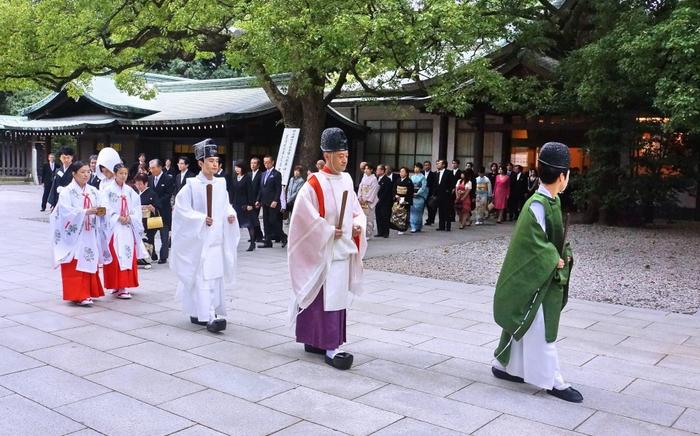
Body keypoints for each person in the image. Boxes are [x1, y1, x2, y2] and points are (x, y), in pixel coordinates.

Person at [492, 141, 581, 403]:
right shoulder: (539, 203)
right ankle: (552, 379)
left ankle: (503, 365)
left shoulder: (548, 200)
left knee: (524, 318)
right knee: (543, 327)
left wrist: (560, 253)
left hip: (541, 274)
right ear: (562, 176)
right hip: (541, 277)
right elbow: (533, 240)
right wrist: (553, 258)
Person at [288, 127, 366, 370]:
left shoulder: (347, 180)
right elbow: (303, 219)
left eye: (346, 155)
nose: (344, 159)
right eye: (340, 155)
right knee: (320, 296)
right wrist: (328, 231)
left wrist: (356, 225)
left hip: (341, 250)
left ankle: (327, 342)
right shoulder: (313, 184)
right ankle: (325, 345)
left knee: (334, 297)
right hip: (321, 251)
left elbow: (356, 210)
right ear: (327, 154)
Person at [171, 138, 239, 333]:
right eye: (210, 161)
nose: (214, 164)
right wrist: (200, 219)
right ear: (200, 163)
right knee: (203, 278)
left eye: (216, 160)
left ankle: (208, 310)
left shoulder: (221, 184)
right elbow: (181, 210)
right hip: (199, 241)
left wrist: (230, 214)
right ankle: (207, 314)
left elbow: (225, 204)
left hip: (217, 238)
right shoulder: (191, 185)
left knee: (215, 277)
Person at [50, 161, 108, 306]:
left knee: (89, 259)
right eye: (82, 172)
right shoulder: (67, 192)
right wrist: (85, 212)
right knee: (76, 262)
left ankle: (88, 292)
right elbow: (64, 212)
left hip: (90, 232)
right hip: (75, 234)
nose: (86, 175)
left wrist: (98, 211)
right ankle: (79, 294)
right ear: (74, 174)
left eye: (88, 171)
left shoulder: (94, 191)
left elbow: (103, 209)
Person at [101, 163, 147, 299]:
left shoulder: (130, 191)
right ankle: (116, 285)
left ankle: (124, 286)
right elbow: (104, 207)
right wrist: (116, 217)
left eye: (125, 173)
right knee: (115, 255)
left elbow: (136, 207)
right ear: (115, 174)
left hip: (127, 227)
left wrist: (130, 217)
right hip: (114, 228)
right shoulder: (107, 190)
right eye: (121, 173)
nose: (123, 176)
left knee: (126, 253)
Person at [256, 155, 287, 248]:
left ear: (272, 162)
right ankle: (268, 241)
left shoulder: (277, 174)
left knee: (273, 221)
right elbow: (261, 189)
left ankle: (283, 236)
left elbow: (278, 189)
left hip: (273, 202)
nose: (266, 164)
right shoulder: (263, 174)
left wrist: (275, 200)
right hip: (264, 202)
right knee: (265, 222)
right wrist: (258, 200)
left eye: (268, 162)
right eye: (264, 162)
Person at [148, 159, 175, 264]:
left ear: (159, 167)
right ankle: (152, 253)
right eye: (150, 168)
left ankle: (163, 257)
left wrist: (156, 203)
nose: (151, 170)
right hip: (152, 212)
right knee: (150, 234)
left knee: (164, 236)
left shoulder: (168, 178)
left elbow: (168, 195)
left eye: (153, 168)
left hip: (163, 211)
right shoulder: (150, 178)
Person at [230, 159, 255, 252]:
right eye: (236, 167)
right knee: (234, 223)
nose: (236, 169)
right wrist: (231, 202)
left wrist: (250, 204)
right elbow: (232, 191)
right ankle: (233, 242)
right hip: (236, 203)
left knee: (249, 223)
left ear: (243, 168)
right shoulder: (235, 177)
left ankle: (252, 242)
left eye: (238, 167)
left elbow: (250, 191)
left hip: (245, 204)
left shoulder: (247, 177)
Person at [133, 173, 157, 268]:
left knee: (148, 240)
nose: (138, 186)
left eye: (140, 184)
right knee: (139, 240)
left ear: (146, 183)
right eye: (137, 184)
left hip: (148, 220)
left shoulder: (152, 193)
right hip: (138, 220)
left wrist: (153, 208)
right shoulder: (135, 194)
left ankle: (148, 260)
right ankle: (140, 259)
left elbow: (157, 205)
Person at [357, 163, 379, 238]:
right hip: (362, 198)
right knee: (362, 216)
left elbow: (373, 190)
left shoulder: (374, 179)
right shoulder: (364, 177)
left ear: (371, 170)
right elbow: (360, 187)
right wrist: (359, 196)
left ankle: (368, 233)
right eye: (365, 169)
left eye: (367, 169)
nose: (365, 170)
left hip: (369, 200)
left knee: (369, 217)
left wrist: (366, 199)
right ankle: (363, 232)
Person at [391, 167, 413, 235]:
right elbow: (394, 189)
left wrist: (403, 198)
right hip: (397, 198)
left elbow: (410, 192)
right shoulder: (398, 180)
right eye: (400, 171)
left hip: (405, 199)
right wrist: (396, 195)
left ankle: (402, 228)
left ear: (406, 173)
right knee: (396, 213)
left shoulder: (409, 181)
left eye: (403, 171)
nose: (401, 173)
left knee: (403, 214)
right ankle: (397, 227)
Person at [435, 159, 455, 231]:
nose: (438, 164)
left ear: (443, 165)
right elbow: (436, 184)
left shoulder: (449, 173)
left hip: (446, 195)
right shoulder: (437, 173)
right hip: (439, 195)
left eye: (439, 163)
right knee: (440, 211)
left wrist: (449, 191)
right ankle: (441, 226)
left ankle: (448, 226)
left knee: (447, 211)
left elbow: (453, 183)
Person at [374, 164, 393, 238]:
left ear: (382, 171)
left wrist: (379, 199)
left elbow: (386, 192)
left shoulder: (387, 180)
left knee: (385, 216)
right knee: (378, 216)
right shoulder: (376, 179)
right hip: (377, 201)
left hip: (384, 202)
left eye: (378, 169)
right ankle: (380, 231)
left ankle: (386, 232)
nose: (376, 171)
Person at [409, 163, 428, 233]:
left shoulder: (423, 177)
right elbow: (410, 186)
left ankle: (418, 226)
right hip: (412, 196)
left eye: (417, 168)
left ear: (420, 169)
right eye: (415, 167)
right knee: (412, 211)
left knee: (418, 212)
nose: (415, 169)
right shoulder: (412, 177)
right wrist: (411, 193)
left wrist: (417, 193)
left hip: (419, 196)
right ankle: (413, 226)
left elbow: (423, 187)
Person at [249, 157, 264, 243]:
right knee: (252, 218)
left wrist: (258, 200)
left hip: (257, 201)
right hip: (250, 200)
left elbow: (260, 189)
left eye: (255, 163)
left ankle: (258, 236)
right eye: (251, 163)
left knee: (254, 218)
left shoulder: (261, 175)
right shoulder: (249, 174)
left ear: (258, 165)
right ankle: (256, 236)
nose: (253, 165)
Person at [423, 160, 438, 226]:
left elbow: (434, 184)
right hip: (422, 193)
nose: (426, 166)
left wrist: (433, 194)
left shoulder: (433, 174)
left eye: (428, 165)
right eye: (425, 165)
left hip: (429, 193)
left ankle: (430, 220)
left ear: (430, 166)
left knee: (430, 207)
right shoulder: (421, 173)